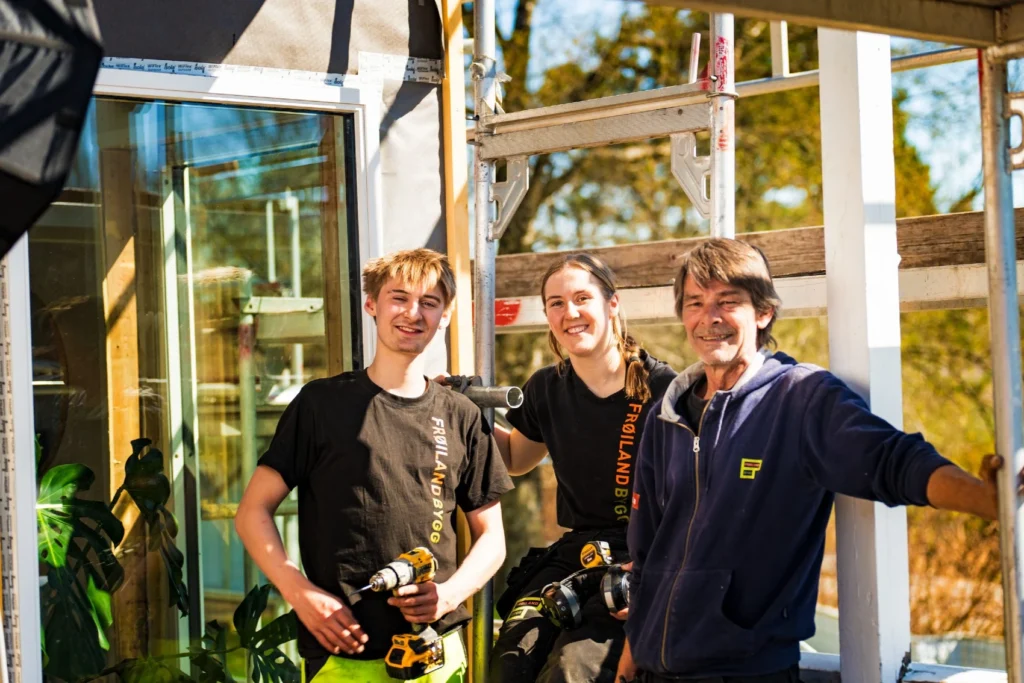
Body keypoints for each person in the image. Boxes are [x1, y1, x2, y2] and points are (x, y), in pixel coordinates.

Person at [616, 238, 1002, 683]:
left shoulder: (799, 398)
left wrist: (984, 500)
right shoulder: (664, 414)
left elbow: (895, 461)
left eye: (728, 302)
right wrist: (633, 648)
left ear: (763, 313)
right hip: (651, 669)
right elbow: (645, 550)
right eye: (695, 303)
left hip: (745, 672)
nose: (710, 318)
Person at [235, 248, 513, 683]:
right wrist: (300, 593)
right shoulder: (320, 404)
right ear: (372, 305)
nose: (413, 313)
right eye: (398, 297)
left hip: (435, 655)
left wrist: (447, 595)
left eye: (429, 302)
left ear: (445, 314)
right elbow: (252, 511)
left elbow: (492, 538)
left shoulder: (460, 415)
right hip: (344, 655)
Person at [488, 253, 678, 683]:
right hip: (575, 555)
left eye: (581, 298)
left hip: (640, 557)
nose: (569, 313)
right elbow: (517, 458)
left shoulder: (663, 389)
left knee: (572, 672)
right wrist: (459, 413)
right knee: (508, 664)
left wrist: (660, 576)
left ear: (612, 304)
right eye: (555, 303)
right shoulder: (546, 387)